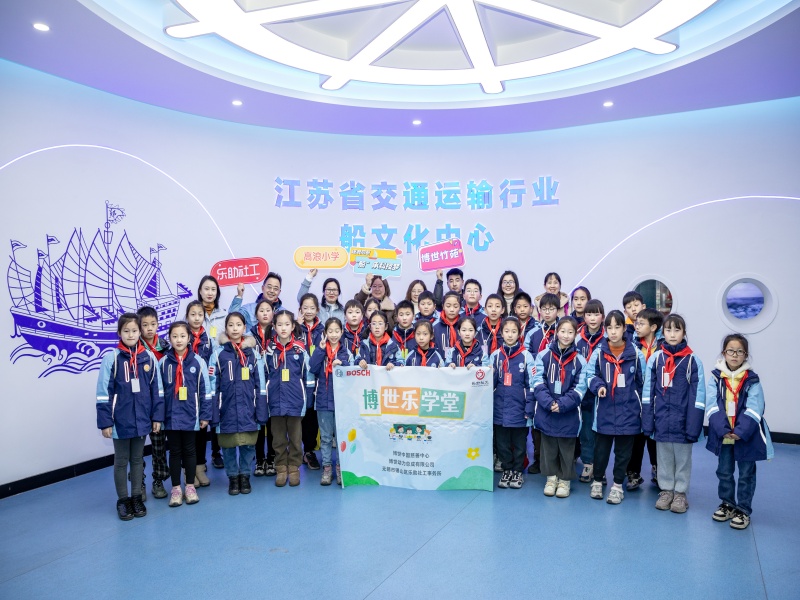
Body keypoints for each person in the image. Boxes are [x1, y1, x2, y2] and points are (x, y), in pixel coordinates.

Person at [96, 313, 163, 521]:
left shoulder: (148, 358)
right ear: (119, 333)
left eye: (134, 330)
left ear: (140, 332)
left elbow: (157, 391)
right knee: (121, 461)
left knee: (137, 459)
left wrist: (156, 417)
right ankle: (123, 500)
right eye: (126, 331)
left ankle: (136, 497)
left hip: (142, 419)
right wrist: (105, 422)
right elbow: (103, 392)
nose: (131, 334)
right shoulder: (112, 359)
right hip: (120, 421)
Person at [705, 334, 773, 530]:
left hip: (746, 436)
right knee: (724, 471)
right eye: (730, 351)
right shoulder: (716, 378)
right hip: (724, 435)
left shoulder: (752, 380)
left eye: (739, 351)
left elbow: (755, 408)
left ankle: (743, 509)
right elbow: (712, 405)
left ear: (746, 355)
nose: (734, 355)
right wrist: (723, 430)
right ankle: (727, 503)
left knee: (746, 474)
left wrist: (740, 431)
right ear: (724, 353)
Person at [642, 314, 705, 513]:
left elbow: (698, 397)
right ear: (663, 332)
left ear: (684, 333)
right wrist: (647, 421)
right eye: (668, 330)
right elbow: (647, 392)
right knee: (664, 458)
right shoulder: (656, 359)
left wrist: (693, 426)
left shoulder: (693, 361)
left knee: (683, 460)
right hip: (661, 420)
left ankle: (680, 494)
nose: (672, 334)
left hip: (683, 422)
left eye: (677, 330)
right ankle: (666, 490)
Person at [585, 310, 646, 505]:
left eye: (617, 327)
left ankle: (618, 485)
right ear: (605, 329)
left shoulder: (636, 354)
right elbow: (589, 376)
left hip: (629, 412)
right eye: (609, 327)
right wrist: (598, 386)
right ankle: (597, 481)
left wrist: (638, 404)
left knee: (623, 453)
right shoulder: (599, 353)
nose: (613, 331)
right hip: (604, 411)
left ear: (624, 328)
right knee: (601, 451)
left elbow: (643, 382)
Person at [211, 312, 267, 496]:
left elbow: (260, 384)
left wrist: (261, 410)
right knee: (228, 445)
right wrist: (214, 412)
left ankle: (245, 475)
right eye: (231, 325)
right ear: (226, 328)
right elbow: (213, 385)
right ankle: (233, 477)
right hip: (226, 409)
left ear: (244, 328)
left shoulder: (253, 354)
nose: (234, 328)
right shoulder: (218, 354)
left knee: (248, 444)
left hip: (249, 407)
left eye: (238, 325)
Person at [533, 317, 587, 498]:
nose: (566, 335)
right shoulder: (543, 355)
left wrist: (563, 404)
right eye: (562, 331)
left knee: (566, 449)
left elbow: (580, 388)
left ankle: (564, 480)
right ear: (556, 332)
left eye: (570, 332)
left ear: (575, 334)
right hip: (546, 410)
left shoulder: (580, 360)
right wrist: (548, 402)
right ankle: (551, 479)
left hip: (568, 413)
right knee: (548, 447)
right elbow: (537, 381)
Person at [159, 321, 212, 507]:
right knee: (174, 452)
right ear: (169, 339)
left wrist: (205, 415)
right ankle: (176, 489)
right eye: (174, 336)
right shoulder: (163, 363)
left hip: (191, 415)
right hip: (171, 417)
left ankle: (190, 487)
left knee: (190, 451)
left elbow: (206, 391)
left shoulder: (198, 362)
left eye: (182, 336)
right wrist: (158, 417)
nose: (179, 340)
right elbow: (158, 393)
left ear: (189, 338)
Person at [264, 310, 313, 487]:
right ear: (274, 326)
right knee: (278, 439)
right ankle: (281, 468)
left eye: (287, 324)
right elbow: (264, 375)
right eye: (279, 324)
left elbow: (308, 376)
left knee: (295, 437)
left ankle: (293, 468)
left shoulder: (300, 349)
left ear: (293, 326)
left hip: (295, 401)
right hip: (275, 401)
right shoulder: (269, 351)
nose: (283, 328)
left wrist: (307, 399)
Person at [489, 316, 536, 490]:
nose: (510, 335)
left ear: (519, 333)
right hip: (499, 410)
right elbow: (488, 384)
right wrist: (491, 373)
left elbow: (531, 385)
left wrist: (529, 408)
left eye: (514, 331)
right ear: (501, 333)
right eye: (506, 331)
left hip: (520, 410)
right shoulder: (495, 356)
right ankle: (507, 469)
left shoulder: (526, 357)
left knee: (519, 444)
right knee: (502, 444)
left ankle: (517, 471)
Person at [309, 318, 356, 486]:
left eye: (337, 331)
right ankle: (327, 468)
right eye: (330, 331)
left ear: (342, 332)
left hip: (342, 402)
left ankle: (340, 469)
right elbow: (312, 367)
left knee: (341, 437)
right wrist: (320, 351)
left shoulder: (346, 352)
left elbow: (352, 372)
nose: (334, 334)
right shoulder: (320, 349)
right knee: (326, 438)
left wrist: (342, 364)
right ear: (325, 333)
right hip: (323, 400)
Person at [136, 306, 170, 500]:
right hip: (140, 405)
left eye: (153, 324)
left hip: (160, 404)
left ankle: (159, 480)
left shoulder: (165, 346)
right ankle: (139, 483)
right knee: (138, 449)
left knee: (159, 446)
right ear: (139, 327)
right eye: (145, 325)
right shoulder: (134, 348)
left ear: (158, 324)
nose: (149, 328)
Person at [524, 292, 560, 474]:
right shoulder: (533, 333)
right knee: (537, 421)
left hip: (559, 381)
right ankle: (538, 458)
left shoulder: (564, 331)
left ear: (558, 310)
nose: (547, 312)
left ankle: (558, 459)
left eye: (551, 309)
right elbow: (526, 355)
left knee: (558, 418)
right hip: (538, 381)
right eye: (544, 309)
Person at [628, 307, 664, 487]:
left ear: (653, 327)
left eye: (641, 324)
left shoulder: (663, 347)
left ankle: (657, 468)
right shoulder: (633, 346)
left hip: (656, 399)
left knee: (653, 436)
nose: (637, 326)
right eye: (636, 323)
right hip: (636, 398)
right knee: (636, 436)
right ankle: (633, 472)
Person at [185, 300, 218, 485]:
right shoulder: (182, 336)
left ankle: (200, 466)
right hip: (185, 393)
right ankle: (188, 471)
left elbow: (212, 365)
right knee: (188, 433)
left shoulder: (209, 340)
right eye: (193, 314)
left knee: (202, 430)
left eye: (200, 315)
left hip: (203, 391)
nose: (196, 318)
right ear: (187, 317)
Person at [197, 276, 226, 471]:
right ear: (200, 291)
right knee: (200, 414)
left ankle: (216, 453)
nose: (209, 292)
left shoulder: (223, 315)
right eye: (206, 289)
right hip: (197, 372)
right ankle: (199, 460)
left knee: (216, 412)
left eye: (213, 289)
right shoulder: (194, 313)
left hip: (218, 369)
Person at [575, 299, 605, 483]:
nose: (593, 318)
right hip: (582, 391)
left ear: (603, 316)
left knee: (601, 431)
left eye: (596, 314)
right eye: (589, 314)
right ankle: (588, 463)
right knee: (585, 429)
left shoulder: (608, 339)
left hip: (601, 391)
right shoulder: (577, 338)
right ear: (584, 317)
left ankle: (600, 467)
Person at [250, 300, 277, 477]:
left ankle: (272, 458)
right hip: (257, 382)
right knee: (259, 422)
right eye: (261, 310)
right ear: (256, 314)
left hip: (274, 382)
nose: (265, 313)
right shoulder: (250, 335)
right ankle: (259, 459)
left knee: (273, 423)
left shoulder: (278, 332)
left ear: (273, 313)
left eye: (268, 310)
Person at [298, 293, 323, 471]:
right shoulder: (294, 328)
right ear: (300, 309)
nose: (308, 311)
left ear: (317, 310)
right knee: (297, 416)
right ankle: (294, 451)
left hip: (317, 379)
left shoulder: (323, 329)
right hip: (297, 379)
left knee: (311, 416)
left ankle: (309, 450)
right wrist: (296, 326)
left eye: (312, 308)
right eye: (305, 307)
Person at [478, 294, 504, 358]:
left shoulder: (507, 329)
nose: (493, 309)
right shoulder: (480, 330)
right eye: (490, 306)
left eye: (497, 306)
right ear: (485, 310)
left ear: (502, 310)